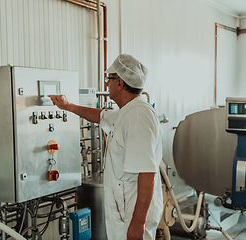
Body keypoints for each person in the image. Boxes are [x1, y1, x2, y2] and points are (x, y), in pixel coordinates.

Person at [49, 53, 163, 240]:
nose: (106, 84)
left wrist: (138, 224)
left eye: (108, 79)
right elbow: (101, 116)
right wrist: (68, 106)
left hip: (131, 215)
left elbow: (147, 173)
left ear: (120, 83)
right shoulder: (127, 112)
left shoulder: (137, 118)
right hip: (125, 211)